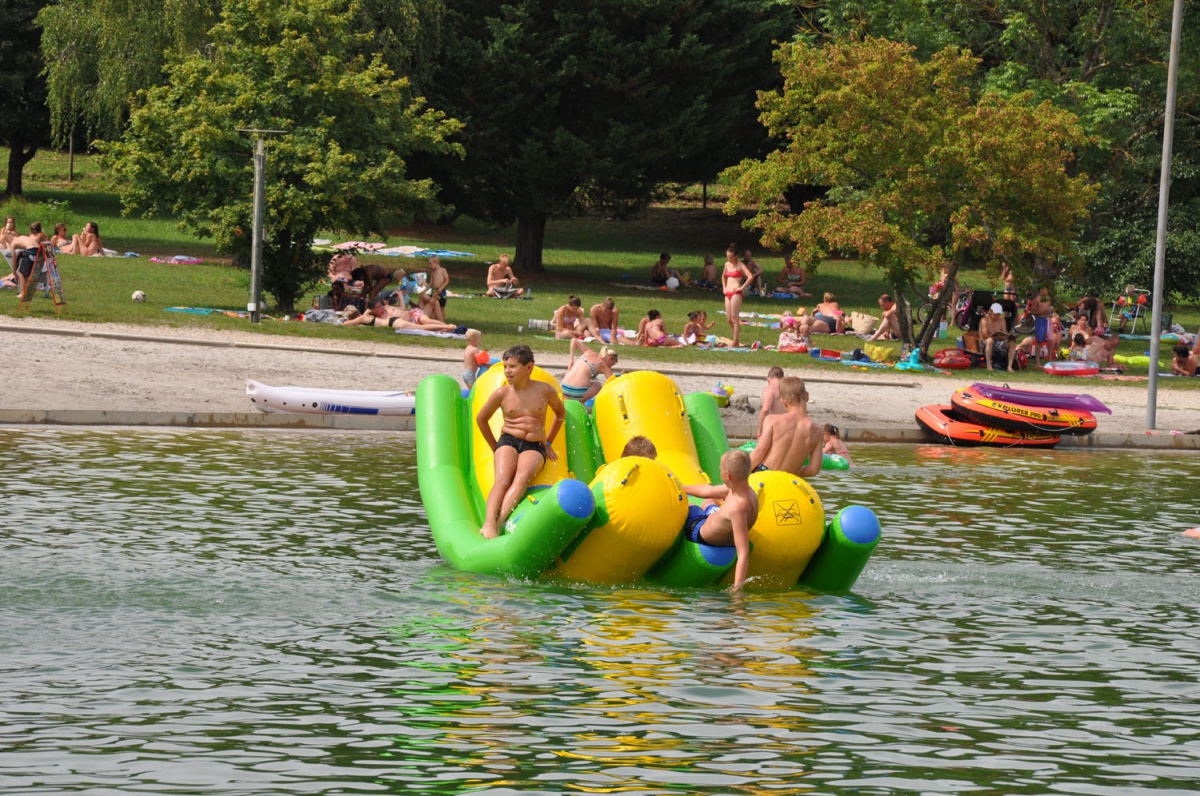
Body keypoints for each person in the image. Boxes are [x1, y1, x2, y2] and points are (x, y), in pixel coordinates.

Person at [475, 345, 565, 539]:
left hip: (534, 445)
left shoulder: (545, 391)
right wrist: (495, 446)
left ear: (529, 367)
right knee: (502, 479)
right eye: (505, 366)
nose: (507, 371)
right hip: (508, 440)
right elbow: (481, 419)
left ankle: (500, 523)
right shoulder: (502, 393)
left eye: (513, 366)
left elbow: (560, 415)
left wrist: (548, 443)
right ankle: (489, 523)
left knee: (523, 477)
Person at [682, 450, 759, 590]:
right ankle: (708, 508)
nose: (719, 469)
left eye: (720, 468)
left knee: (690, 505)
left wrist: (737, 589)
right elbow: (706, 491)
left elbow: (743, 553)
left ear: (727, 475)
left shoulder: (737, 508)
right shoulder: (745, 491)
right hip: (717, 523)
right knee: (707, 501)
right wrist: (681, 487)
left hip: (700, 532)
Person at [750, 376, 824, 478]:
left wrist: (741, 475)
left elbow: (759, 452)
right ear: (807, 396)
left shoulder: (772, 420)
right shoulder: (817, 431)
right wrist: (794, 473)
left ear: (783, 402)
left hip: (764, 474)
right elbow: (814, 469)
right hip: (788, 480)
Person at [722, 245, 754, 347]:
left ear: (736, 256)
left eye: (731, 257)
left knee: (735, 317)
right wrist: (724, 287)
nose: (729, 259)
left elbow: (750, 277)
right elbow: (723, 276)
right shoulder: (727, 264)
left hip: (736, 292)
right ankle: (735, 338)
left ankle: (735, 341)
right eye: (728, 257)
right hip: (728, 292)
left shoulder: (740, 265)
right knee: (729, 319)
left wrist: (741, 287)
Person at [979, 302, 1015, 372]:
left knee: (1012, 342)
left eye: (998, 314)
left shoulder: (1002, 320)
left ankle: (1009, 366)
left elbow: (1005, 332)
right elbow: (984, 335)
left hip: (999, 342)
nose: (997, 316)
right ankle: (989, 365)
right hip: (986, 343)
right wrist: (995, 337)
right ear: (991, 311)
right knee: (990, 340)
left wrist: (1007, 337)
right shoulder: (984, 320)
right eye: (995, 314)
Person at [757, 367, 785, 437]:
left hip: (775, 426)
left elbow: (765, 409)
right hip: (789, 425)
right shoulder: (788, 387)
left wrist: (759, 430)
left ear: (768, 379)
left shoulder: (769, 390)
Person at [426, 255, 450, 322]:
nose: (430, 266)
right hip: (434, 291)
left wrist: (441, 288)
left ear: (436, 263)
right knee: (433, 305)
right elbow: (431, 283)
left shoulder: (443, 270)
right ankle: (432, 321)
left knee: (441, 307)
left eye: (431, 264)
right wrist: (425, 290)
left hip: (441, 291)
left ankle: (442, 321)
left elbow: (447, 280)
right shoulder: (432, 272)